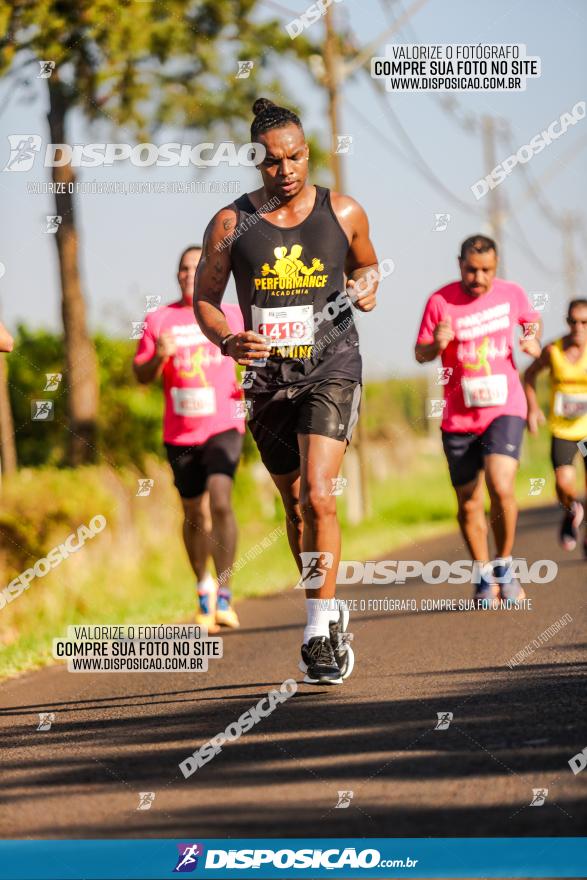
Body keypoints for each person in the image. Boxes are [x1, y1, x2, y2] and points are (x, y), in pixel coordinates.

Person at [194, 98, 379, 684]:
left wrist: (367, 285)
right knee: (296, 505)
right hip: (267, 379)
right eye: (272, 161)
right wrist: (227, 341)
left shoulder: (343, 210)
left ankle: (318, 629)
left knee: (320, 495)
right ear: (257, 162)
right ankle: (324, 607)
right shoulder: (230, 223)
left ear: (308, 152)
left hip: (331, 366)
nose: (286, 169)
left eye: (295, 156)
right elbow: (206, 296)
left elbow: (367, 266)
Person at [415, 235, 541, 606]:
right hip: (458, 417)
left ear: (496, 267)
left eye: (486, 270)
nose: (478, 277)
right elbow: (420, 353)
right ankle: (483, 574)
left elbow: (530, 321)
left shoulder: (511, 293)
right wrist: (436, 344)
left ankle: (504, 563)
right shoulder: (440, 301)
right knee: (469, 502)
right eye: (471, 269)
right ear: (460, 264)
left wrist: (531, 339)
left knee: (501, 486)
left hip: (505, 407)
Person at [134, 246, 245, 631]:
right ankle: (203, 588)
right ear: (177, 275)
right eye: (182, 268)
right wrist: (158, 358)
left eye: (196, 268)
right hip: (180, 433)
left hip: (224, 425)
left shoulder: (231, 314)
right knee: (194, 512)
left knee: (220, 499)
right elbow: (141, 376)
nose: (187, 274)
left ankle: (226, 594)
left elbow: (257, 354)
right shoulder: (158, 319)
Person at [524, 298, 587, 554]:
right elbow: (528, 375)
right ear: (566, 321)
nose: (579, 327)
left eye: (585, 322)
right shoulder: (553, 350)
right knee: (564, 485)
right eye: (573, 321)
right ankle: (571, 511)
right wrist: (533, 408)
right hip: (562, 430)